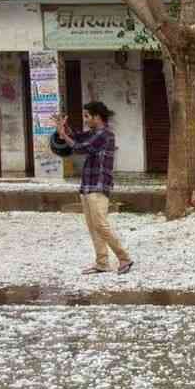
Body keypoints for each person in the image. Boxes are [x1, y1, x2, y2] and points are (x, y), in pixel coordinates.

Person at [56, 101, 134, 275]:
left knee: (101, 225)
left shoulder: (105, 135)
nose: (85, 120)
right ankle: (102, 262)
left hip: (98, 186)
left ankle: (124, 258)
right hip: (88, 186)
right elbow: (77, 137)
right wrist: (64, 128)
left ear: (97, 117)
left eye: (87, 116)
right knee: (93, 226)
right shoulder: (93, 133)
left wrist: (64, 135)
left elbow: (81, 147)